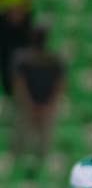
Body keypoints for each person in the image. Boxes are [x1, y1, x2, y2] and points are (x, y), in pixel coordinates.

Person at [11, 26, 66, 156]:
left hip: (46, 106)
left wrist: (49, 105)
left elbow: (59, 84)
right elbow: (19, 83)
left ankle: (41, 162)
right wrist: (29, 104)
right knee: (21, 140)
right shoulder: (24, 60)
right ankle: (19, 162)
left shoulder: (54, 61)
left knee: (44, 144)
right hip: (27, 106)